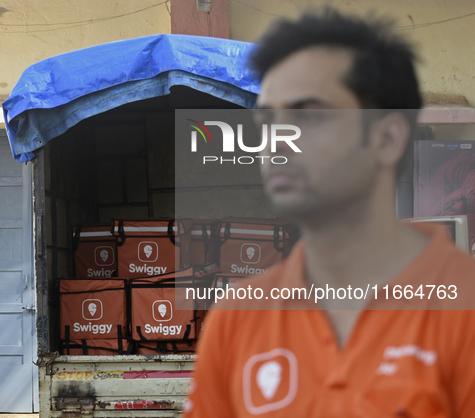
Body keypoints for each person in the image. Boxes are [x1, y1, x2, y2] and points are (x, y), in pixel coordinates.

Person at [182, 9, 475, 418]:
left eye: (307, 116)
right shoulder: (238, 317)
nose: (276, 144)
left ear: (387, 138)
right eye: (267, 121)